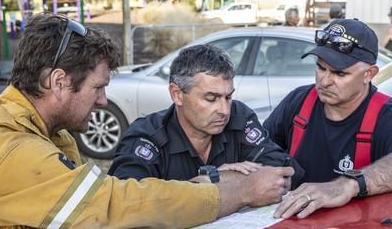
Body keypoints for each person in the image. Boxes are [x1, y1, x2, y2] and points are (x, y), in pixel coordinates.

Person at [0, 14, 291, 229]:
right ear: (58, 82)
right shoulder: (11, 149)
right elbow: (115, 199)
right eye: (97, 87)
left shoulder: (46, 135)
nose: (103, 100)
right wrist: (240, 190)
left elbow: (85, 210)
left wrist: (95, 228)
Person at [263, 18, 392, 219]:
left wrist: (347, 185)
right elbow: (260, 151)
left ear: (369, 74)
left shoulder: (390, 115)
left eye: (339, 73)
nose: (324, 81)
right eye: (320, 67)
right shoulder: (298, 102)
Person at [109, 44, 302, 185]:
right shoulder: (148, 136)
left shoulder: (239, 117)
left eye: (228, 97)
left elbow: (285, 170)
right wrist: (216, 181)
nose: (224, 110)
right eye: (211, 99)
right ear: (177, 94)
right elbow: (127, 201)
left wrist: (223, 178)